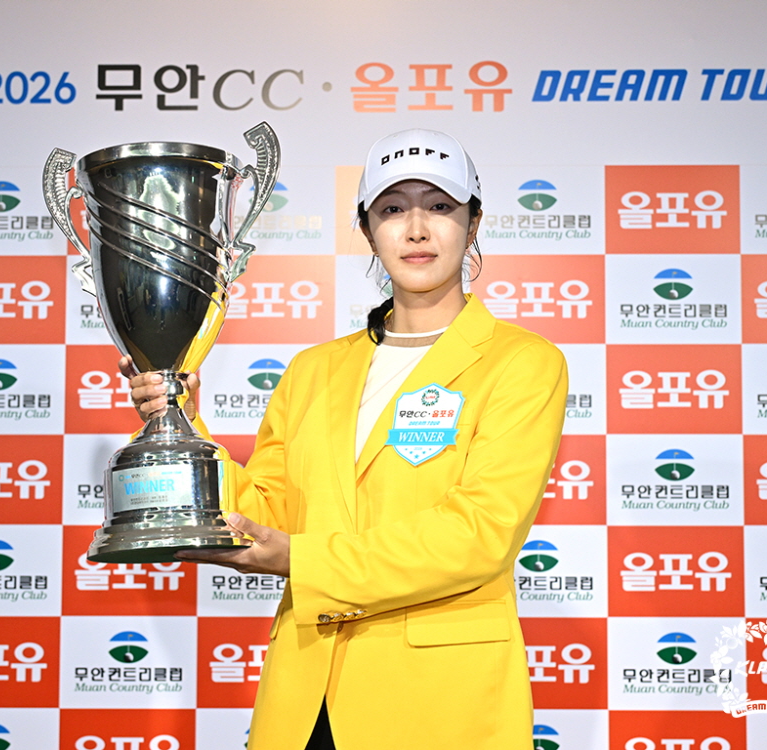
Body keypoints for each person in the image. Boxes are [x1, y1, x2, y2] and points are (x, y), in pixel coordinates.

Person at [120, 129, 568, 750]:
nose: (417, 229)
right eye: (393, 208)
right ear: (367, 228)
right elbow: (269, 513)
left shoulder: (522, 362)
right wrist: (182, 422)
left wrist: (303, 561)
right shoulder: (314, 369)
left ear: (474, 223)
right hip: (306, 697)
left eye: (440, 206)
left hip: (439, 703)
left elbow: (478, 536)